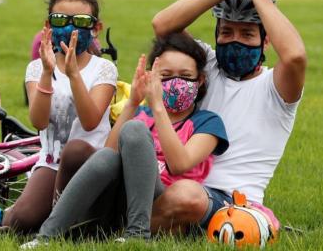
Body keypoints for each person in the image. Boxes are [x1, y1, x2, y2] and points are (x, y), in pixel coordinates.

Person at [149, 0, 306, 234]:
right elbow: (163, 26)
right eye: (226, 32)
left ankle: (117, 225)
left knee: (189, 197)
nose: (235, 40)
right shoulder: (206, 65)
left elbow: (295, 56)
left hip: (228, 203)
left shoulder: (276, 87)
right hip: (171, 180)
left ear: (266, 41)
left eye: (247, 34)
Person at [21, 33, 228, 248]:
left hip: (162, 203)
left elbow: (179, 165)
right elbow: (107, 157)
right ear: (152, 77)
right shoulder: (141, 114)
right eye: (165, 76)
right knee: (114, 150)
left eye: (185, 76)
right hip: (121, 200)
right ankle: (47, 236)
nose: (175, 83)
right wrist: (133, 103)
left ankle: (138, 233)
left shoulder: (208, 122)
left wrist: (158, 107)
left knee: (135, 129)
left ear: (200, 80)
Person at [2, 0, 118, 233]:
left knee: (75, 150)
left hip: (90, 162)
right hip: (51, 161)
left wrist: (74, 75)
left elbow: (90, 122)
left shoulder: (103, 69)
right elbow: (39, 121)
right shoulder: (37, 67)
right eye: (60, 19)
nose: (69, 27)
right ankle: (57, 216)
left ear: (96, 28)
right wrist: (46, 72)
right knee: (20, 221)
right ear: (48, 25)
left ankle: (59, 219)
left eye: (81, 21)